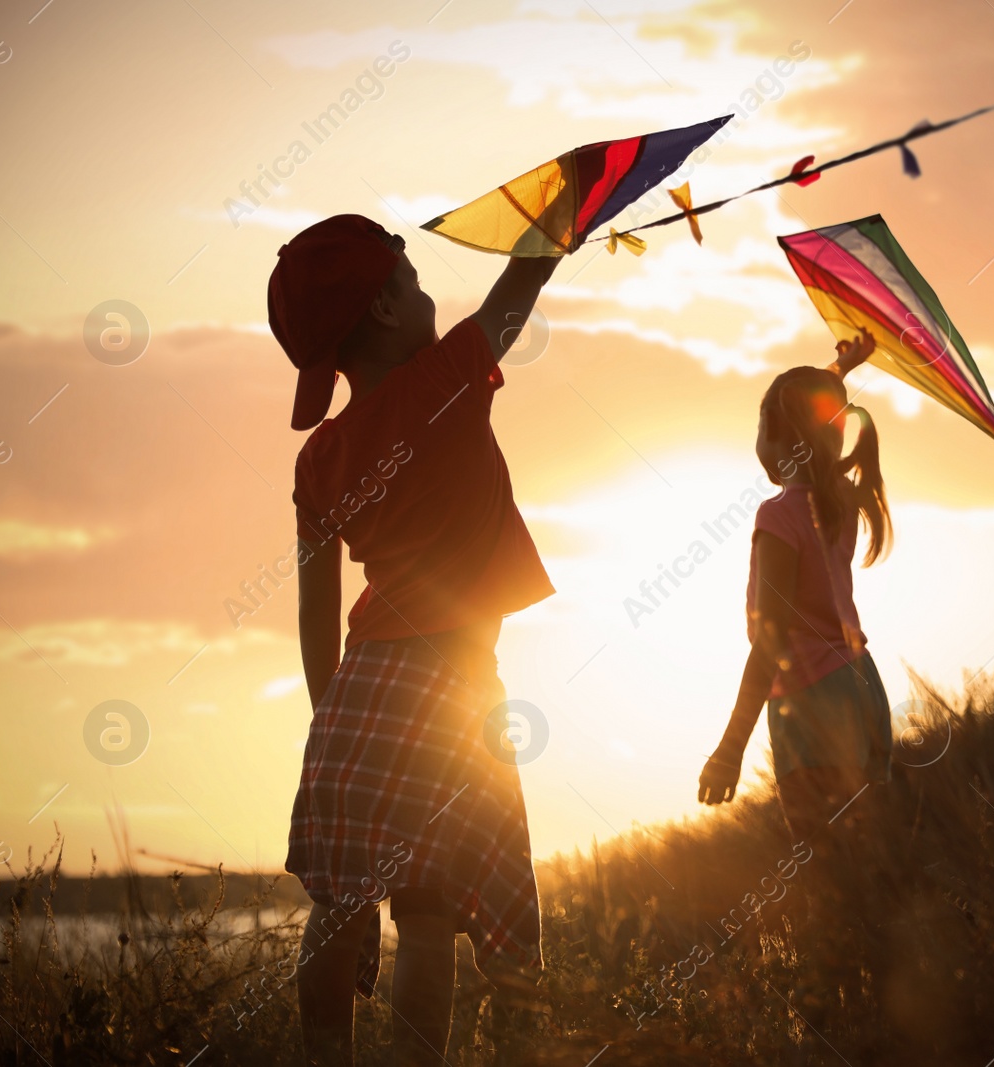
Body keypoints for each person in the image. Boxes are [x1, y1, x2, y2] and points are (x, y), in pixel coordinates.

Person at [269, 214, 560, 1066]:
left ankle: (326, 1054)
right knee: (428, 909)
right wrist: (559, 214)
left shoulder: (319, 458)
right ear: (391, 312)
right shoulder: (449, 377)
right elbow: (524, 282)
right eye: (414, 278)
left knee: (340, 903)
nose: (431, 293)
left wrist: (333, 724)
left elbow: (316, 615)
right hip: (453, 686)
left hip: (353, 695)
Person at [696, 328, 896, 1015]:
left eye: (762, 425)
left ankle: (845, 1014)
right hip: (862, 691)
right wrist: (840, 368)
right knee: (869, 863)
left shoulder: (779, 514)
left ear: (778, 441)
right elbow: (821, 421)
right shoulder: (835, 501)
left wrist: (729, 749)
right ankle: (890, 1005)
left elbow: (771, 640)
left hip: (812, 703)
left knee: (828, 874)